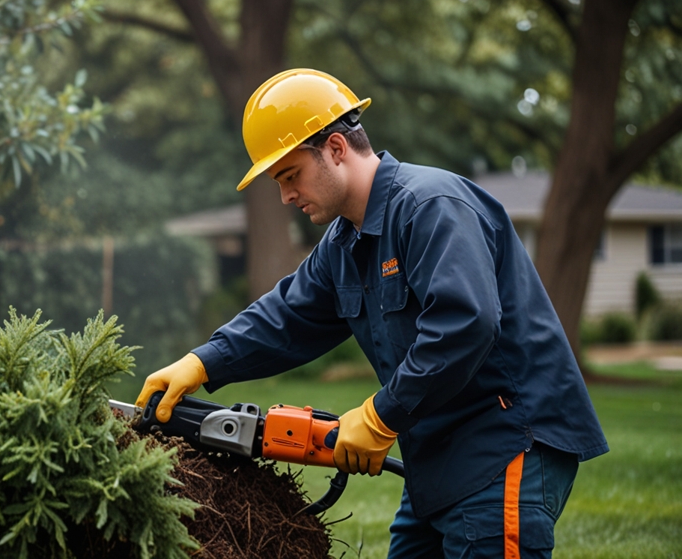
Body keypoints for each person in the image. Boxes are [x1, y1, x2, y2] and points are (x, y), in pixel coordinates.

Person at [135, 68, 608, 558]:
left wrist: (381, 417)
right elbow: (288, 315)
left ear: (336, 148)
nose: (286, 196)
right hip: (437, 455)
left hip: (506, 443)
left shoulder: (431, 206)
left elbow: (466, 323)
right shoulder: (344, 242)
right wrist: (202, 362)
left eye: (290, 176)